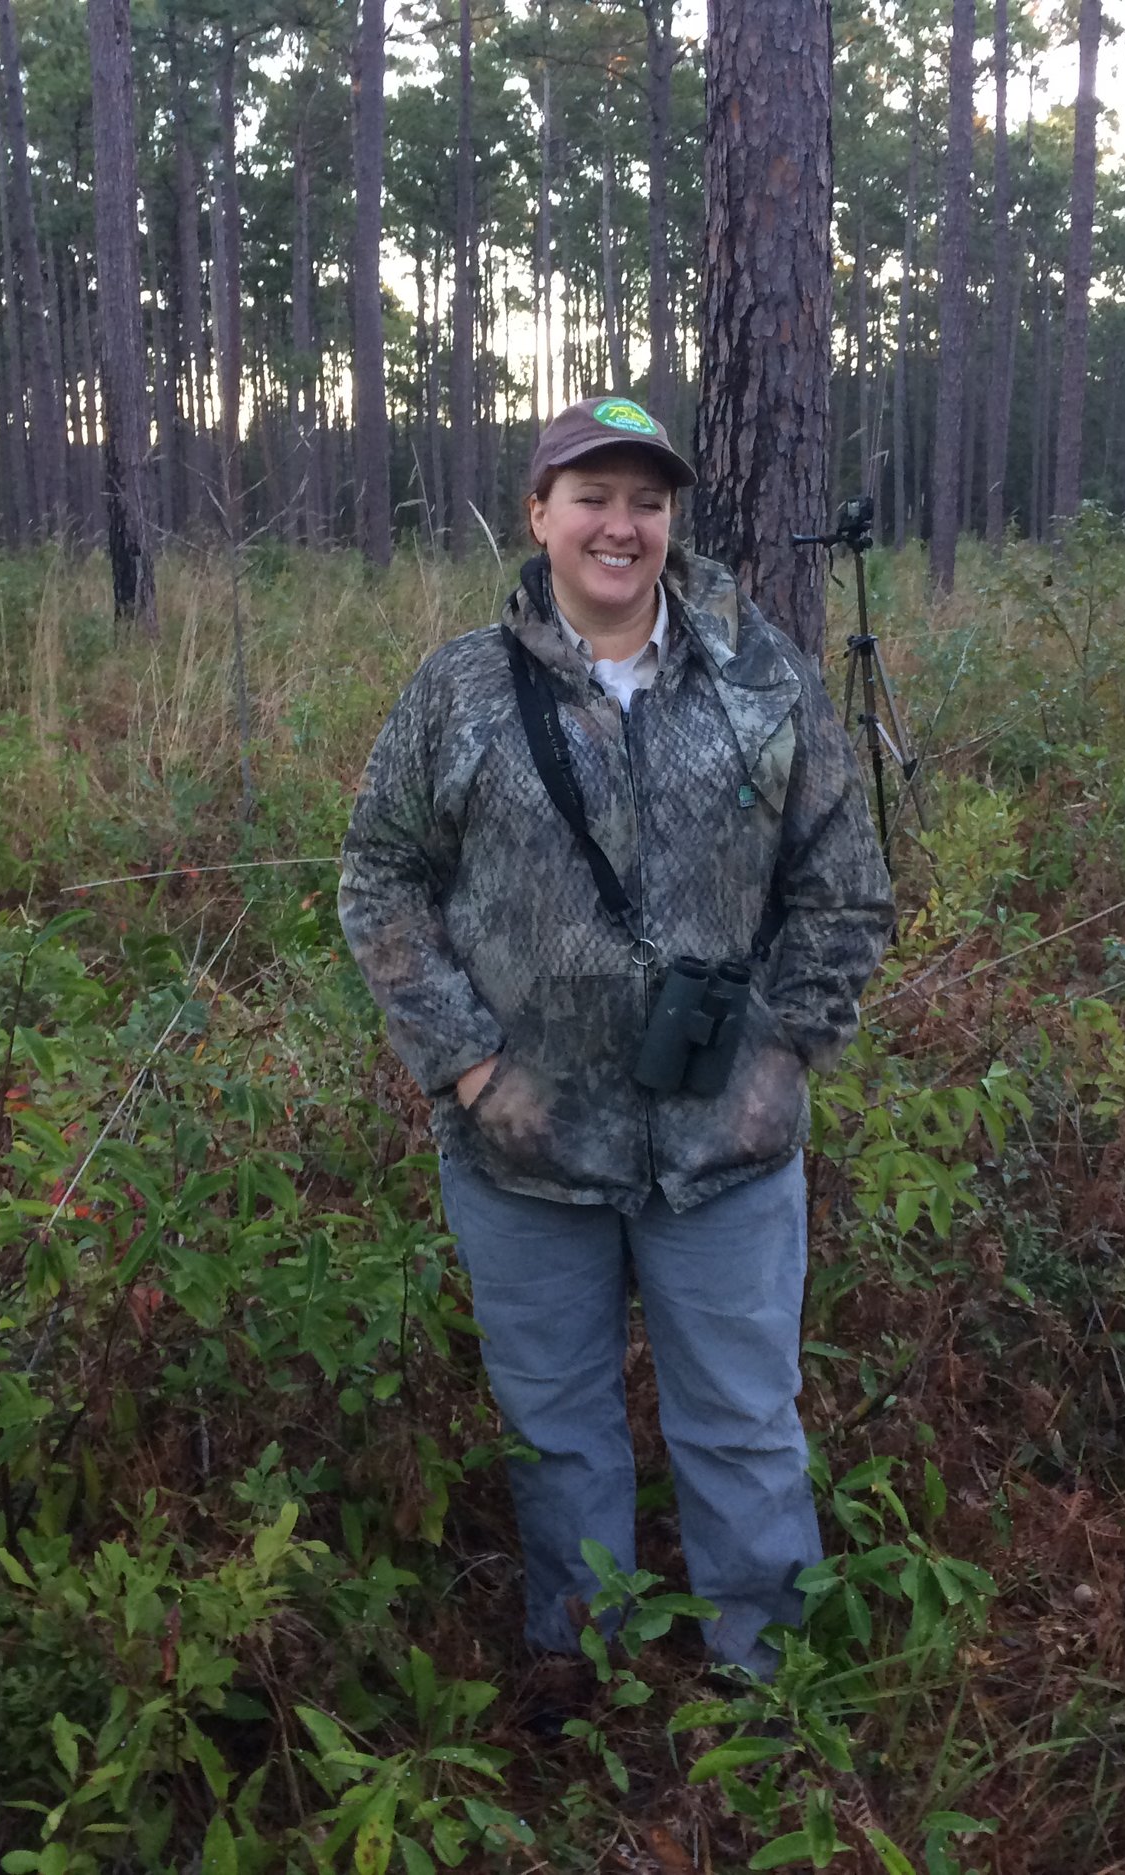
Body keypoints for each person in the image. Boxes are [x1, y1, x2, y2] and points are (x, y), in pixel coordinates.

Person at [338, 394, 893, 1694]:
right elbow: (380, 881)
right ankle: (577, 1655)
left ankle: (769, 1682)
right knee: (558, 1427)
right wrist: (472, 1067)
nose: (620, 524)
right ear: (539, 515)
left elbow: (845, 886)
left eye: (646, 499)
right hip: (524, 1151)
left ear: (671, 519)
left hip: (725, 1151)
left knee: (744, 1426)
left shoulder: (765, 680)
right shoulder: (462, 690)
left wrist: (782, 1058)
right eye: (592, 495)